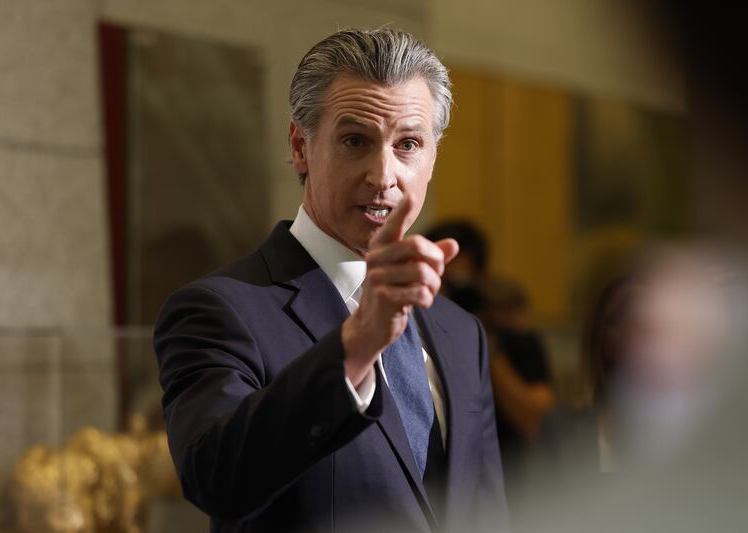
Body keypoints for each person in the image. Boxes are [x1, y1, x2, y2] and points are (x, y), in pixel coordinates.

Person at [153, 28, 508, 533]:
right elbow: (217, 480)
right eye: (355, 141)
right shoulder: (220, 311)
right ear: (301, 147)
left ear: (432, 157)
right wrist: (357, 345)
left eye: (408, 143)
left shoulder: (459, 330)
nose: (383, 174)